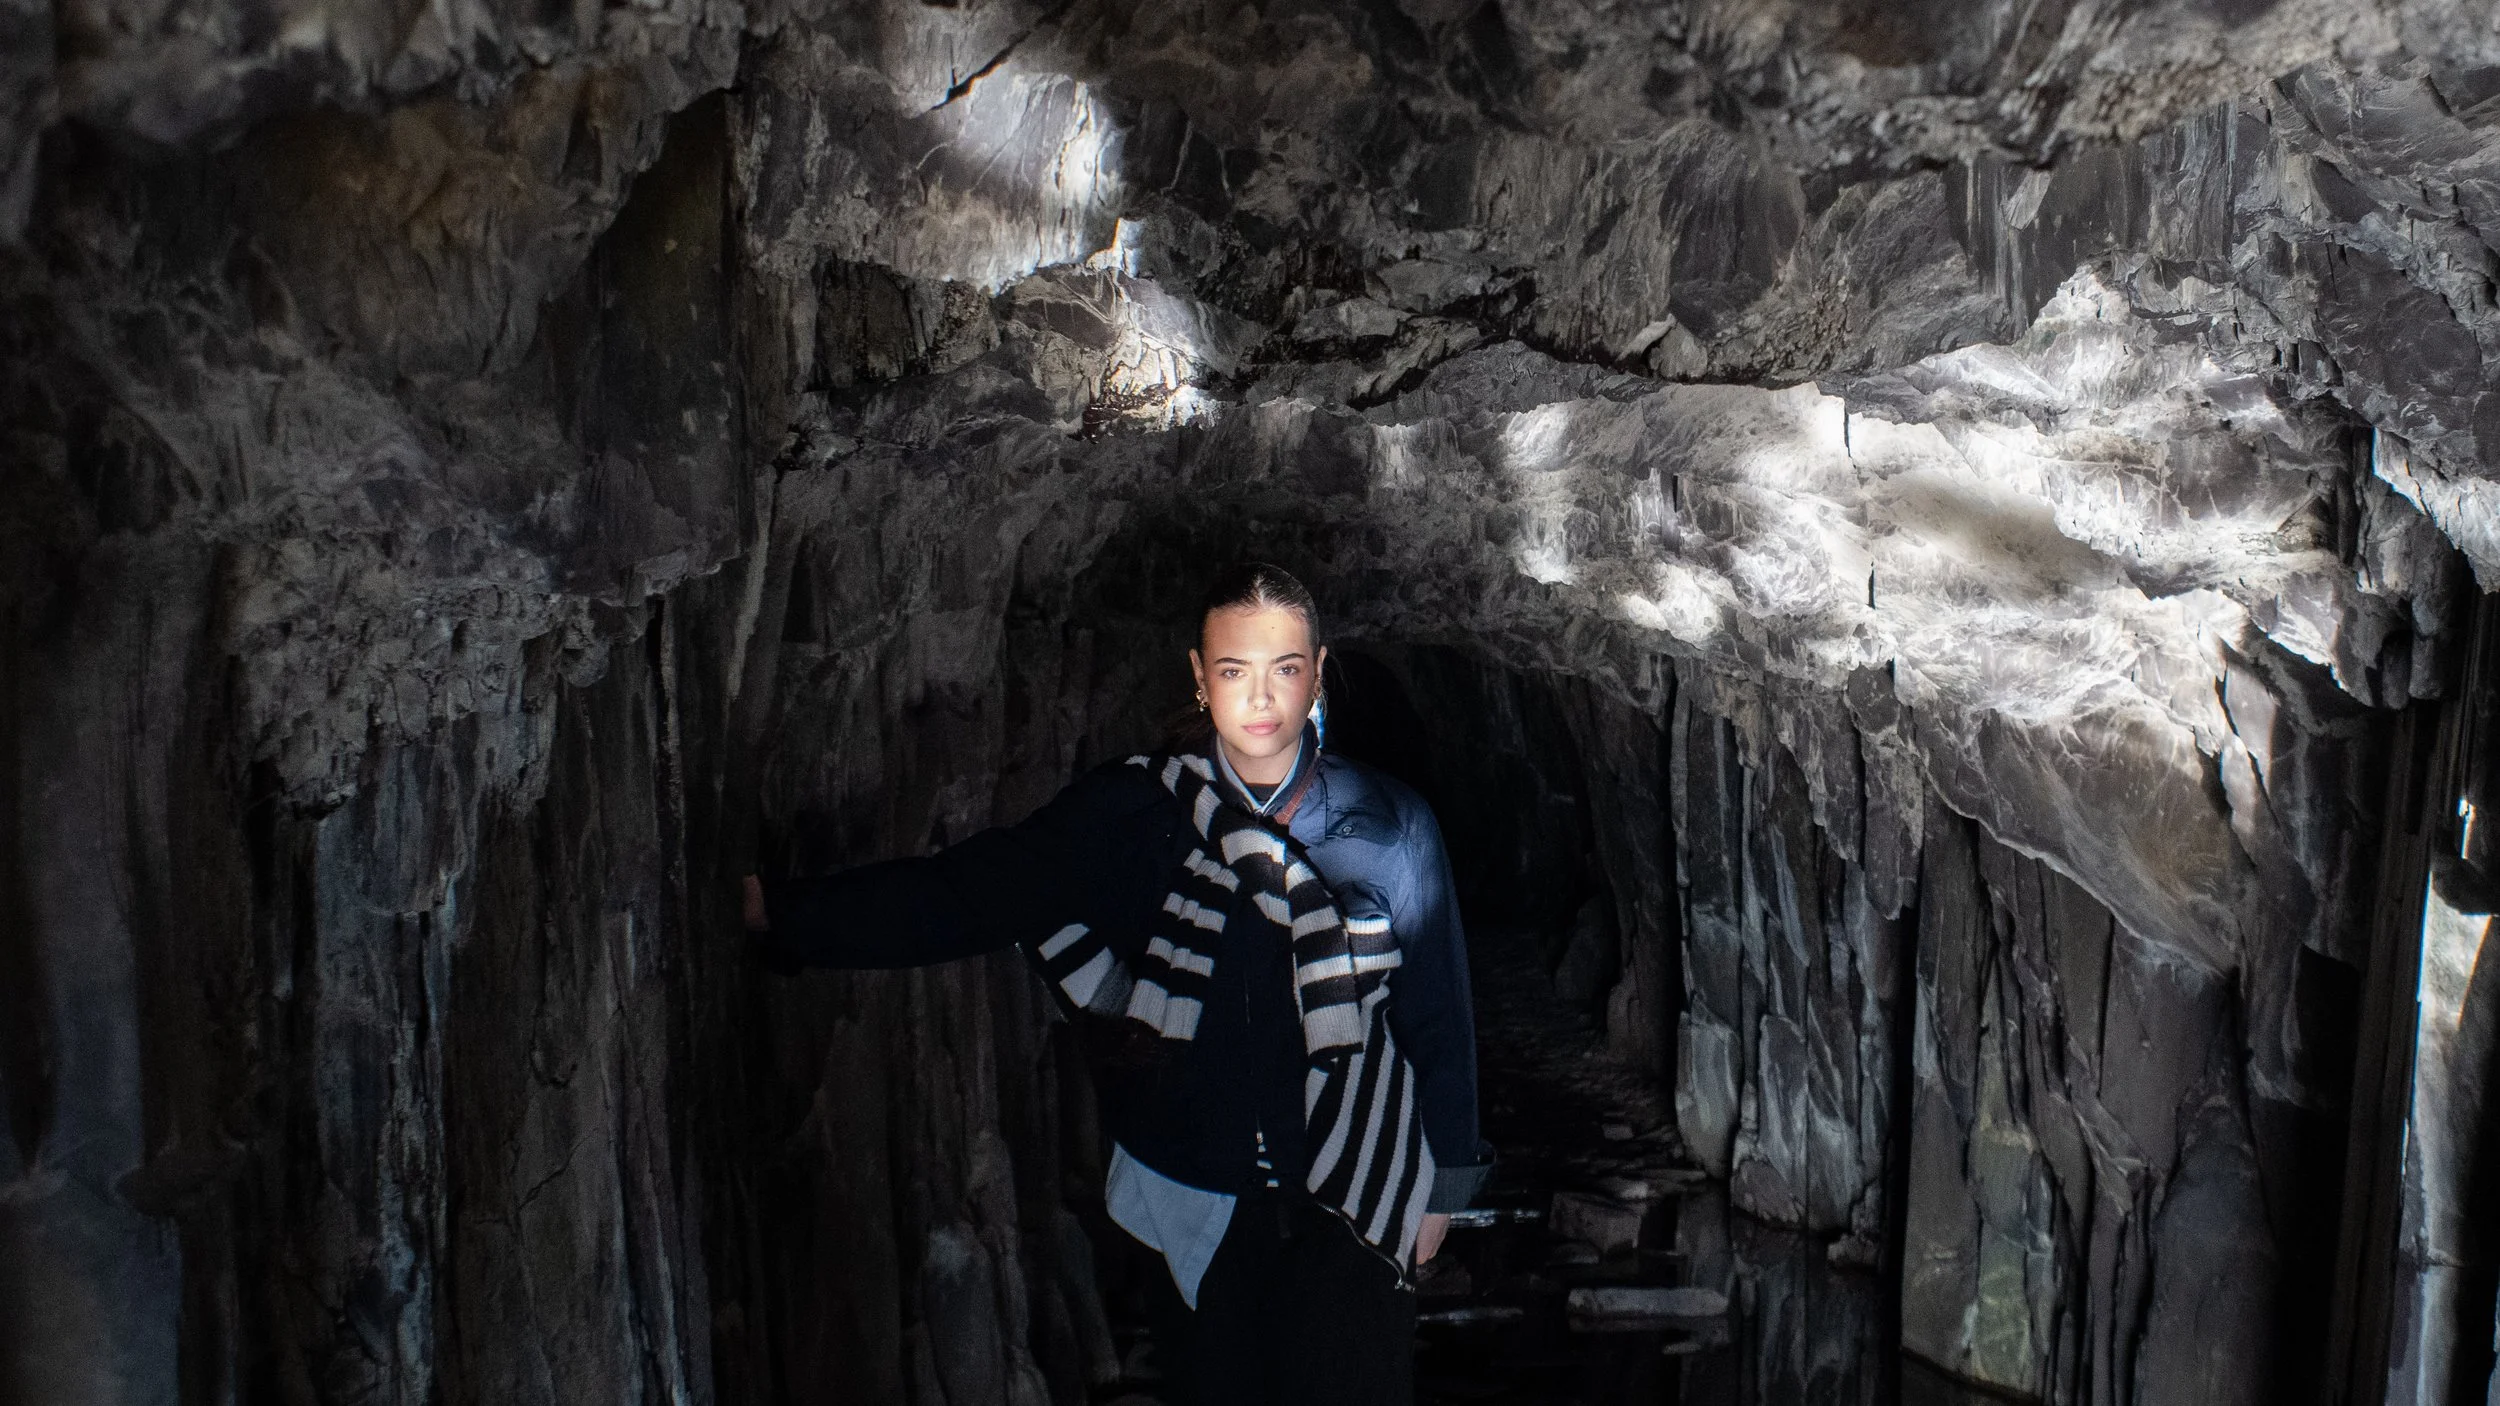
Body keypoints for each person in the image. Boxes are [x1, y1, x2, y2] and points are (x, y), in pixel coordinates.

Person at [741, 561, 1488, 1406]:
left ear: (1318, 671)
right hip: (1192, 1188)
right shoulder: (1137, 814)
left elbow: (1437, 1014)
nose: (1261, 698)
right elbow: (974, 893)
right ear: (1200, 679)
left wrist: (1445, 1192)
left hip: (1355, 1187)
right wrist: (791, 920)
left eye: (1285, 669)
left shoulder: (1389, 826)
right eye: (1235, 671)